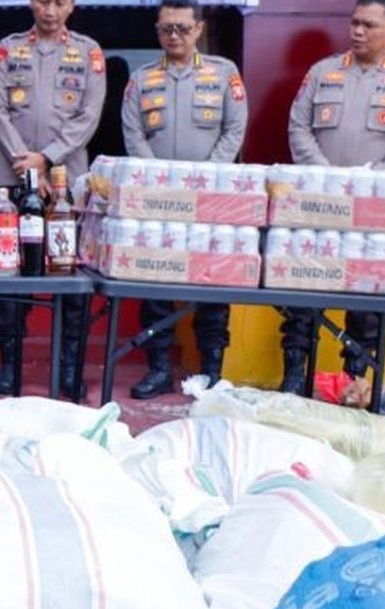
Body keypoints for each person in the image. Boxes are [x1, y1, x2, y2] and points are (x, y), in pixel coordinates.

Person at [280, 0, 385, 393]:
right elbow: (298, 127)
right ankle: (295, 375)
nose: (358, 31)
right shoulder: (323, 72)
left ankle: (354, 382)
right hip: (320, 204)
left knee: (367, 299)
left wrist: (371, 180)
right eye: (354, 23)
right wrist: (326, 176)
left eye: (369, 25)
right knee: (304, 287)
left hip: (375, 210)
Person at [121, 0, 248, 398]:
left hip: (211, 200)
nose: (173, 36)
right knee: (156, 287)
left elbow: (234, 129)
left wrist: (204, 177)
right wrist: (163, 181)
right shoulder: (142, 79)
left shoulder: (225, 74)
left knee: (213, 286)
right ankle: (158, 368)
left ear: (198, 30)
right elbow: (133, 134)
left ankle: (211, 372)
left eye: (181, 28)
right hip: (158, 201)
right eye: (165, 29)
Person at [0, 0, 105, 396]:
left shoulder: (88, 52)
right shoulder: (8, 47)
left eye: (59, 2)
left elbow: (89, 115)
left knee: (68, 273)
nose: (49, 10)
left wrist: (47, 158)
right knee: (9, 272)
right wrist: (28, 166)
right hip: (14, 179)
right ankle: (9, 364)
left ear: (71, 5)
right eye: (42, 1)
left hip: (64, 182)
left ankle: (69, 368)